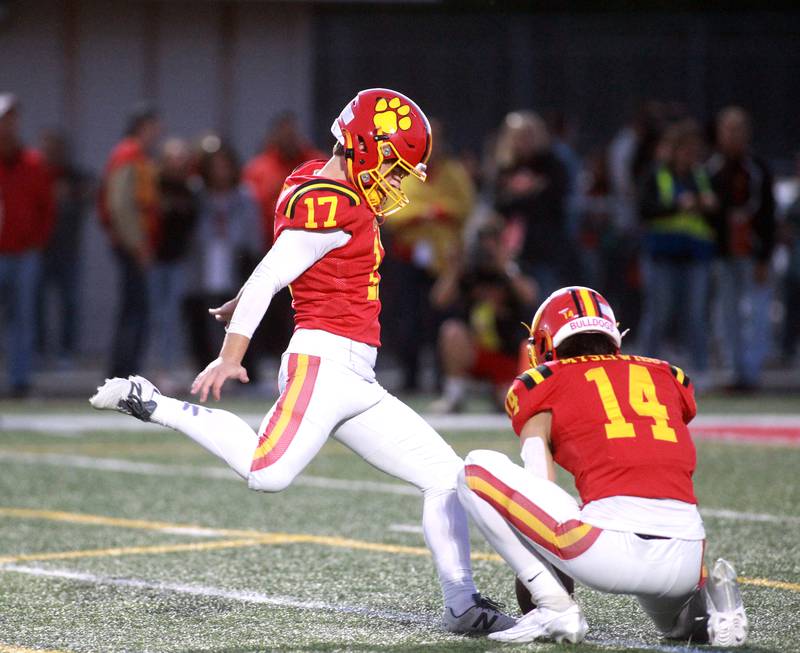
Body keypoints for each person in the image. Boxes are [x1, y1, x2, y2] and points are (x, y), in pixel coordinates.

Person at [90, 88, 514, 635]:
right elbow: (273, 273)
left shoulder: (321, 184)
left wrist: (240, 301)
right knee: (267, 474)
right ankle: (154, 403)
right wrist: (229, 356)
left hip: (357, 375)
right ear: (364, 145)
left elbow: (289, 266)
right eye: (392, 163)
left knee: (444, 476)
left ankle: (461, 604)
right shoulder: (328, 199)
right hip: (323, 363)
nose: (395, 180)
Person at [455, 286, 748, 646]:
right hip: (687, 557)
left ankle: (554, 608)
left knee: (474, 469)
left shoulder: (542, 381)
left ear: (546, 342)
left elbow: (539, 482)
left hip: (606, 553)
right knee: (681, 629)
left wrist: (541, 578)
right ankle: (715, 608)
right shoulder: (668, 375)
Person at [637, 120, 717, 387]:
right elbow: (644, 210)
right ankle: (644, 369)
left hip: (695, 256)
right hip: (662, 256)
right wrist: (676, 206)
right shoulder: (656, 175)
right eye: (684, 149)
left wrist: (709, 206)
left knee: (695, 315)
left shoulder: (702, 176)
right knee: (659, 313)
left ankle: (700, 371)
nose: (689, 155)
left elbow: (716, 214)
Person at [429, 218, 537, 413]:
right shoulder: (469, 271)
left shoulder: (513, 268)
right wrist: (453, 268)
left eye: (493, 242)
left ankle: (498, 391)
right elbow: (438, 300)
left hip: (507, 355)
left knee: (509, 404)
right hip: (476, 351)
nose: (487, 249)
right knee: (451, 331)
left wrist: (506, 266)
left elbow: (530, 297)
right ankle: (454, 394)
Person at [707, 107, 776, 392]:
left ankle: (752, 372)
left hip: (752, 252)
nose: (733, 136)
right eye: (728, 130)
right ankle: (733, 372)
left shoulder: (757, 168)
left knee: (756, 313)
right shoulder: (711, 169)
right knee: (726, 314)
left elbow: (768, 214)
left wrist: (765, 256)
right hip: (723, 254)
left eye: (738, 130)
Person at [98, 102, 161, 378]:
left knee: (135, 309)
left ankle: (126, 369)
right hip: (132, 245)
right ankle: (124, 370)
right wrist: (137, 245)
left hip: (134, 244)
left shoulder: (136, 156)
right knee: (135, 310)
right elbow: (121, 204)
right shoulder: (128, 155)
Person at [0, 94, 55, 397]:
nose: (7, 126)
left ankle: (20, 381)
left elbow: (46, 207)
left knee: (23, 319)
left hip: (24, 254)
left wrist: (37, 240)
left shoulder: (32, 162)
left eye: (11, 119)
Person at [36, 129, 92, 367]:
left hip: (68, 251)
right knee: (35, 304)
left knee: (69, 304)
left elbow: (93, 188)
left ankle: (66, 353)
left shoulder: (73, 176)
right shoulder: (37, 174)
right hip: (39, 249)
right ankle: (38, 351)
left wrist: (74, 193)